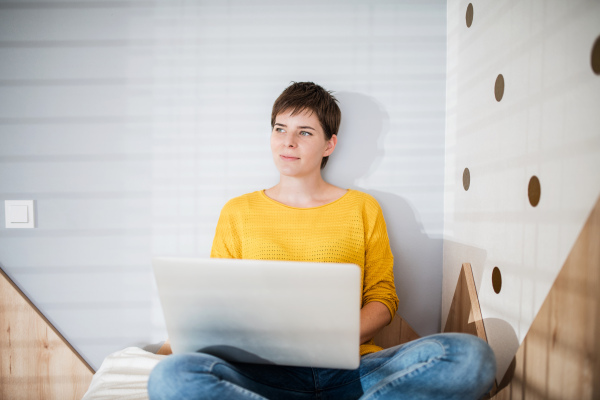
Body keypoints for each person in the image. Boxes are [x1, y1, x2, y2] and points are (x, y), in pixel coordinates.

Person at [148, 82, 496, 399]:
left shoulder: (362, 208)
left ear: (329, 144)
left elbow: (383, 298)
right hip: (264, 375)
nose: (288, 141)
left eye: (305, 132)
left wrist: (331, 341)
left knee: (469, 357)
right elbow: (218, 302)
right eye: (280, 129)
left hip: (353, 370)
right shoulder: (237, 211)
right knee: (171, 377)